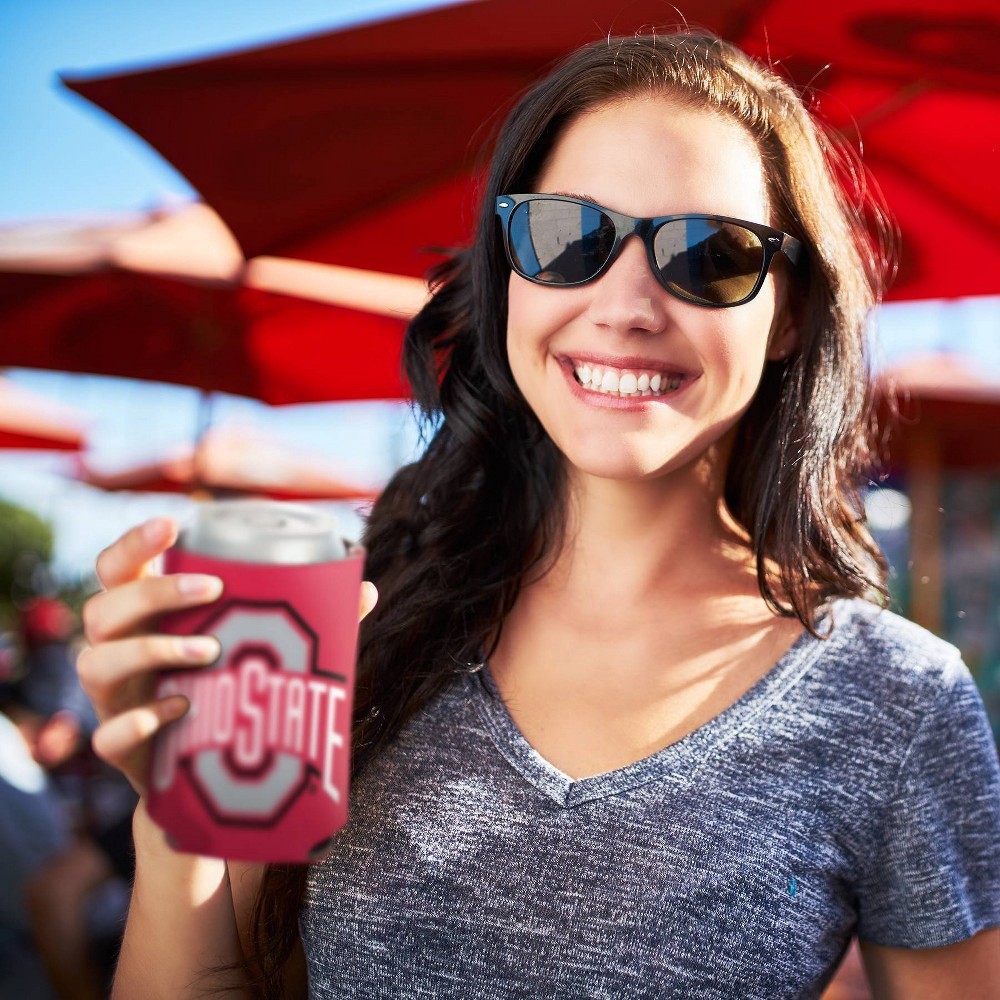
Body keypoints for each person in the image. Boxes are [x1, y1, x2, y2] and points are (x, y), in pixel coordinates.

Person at [76, 30, 1000, 999]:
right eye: (568, 237)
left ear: (792, 315)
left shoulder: (895, 703)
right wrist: (180, 823)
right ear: (507, 273)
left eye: (711, 254)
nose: (628, 304)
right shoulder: (347, 625)